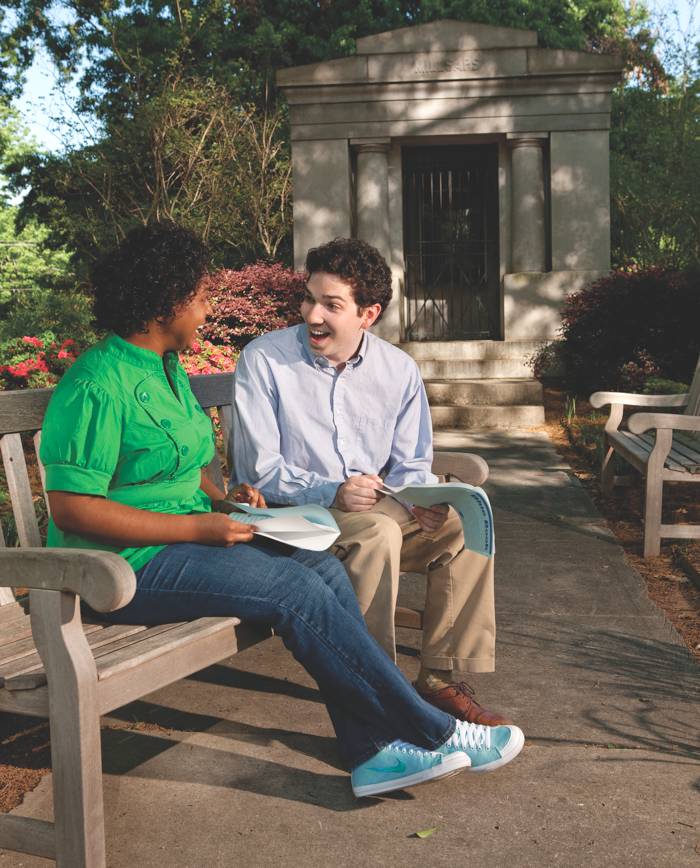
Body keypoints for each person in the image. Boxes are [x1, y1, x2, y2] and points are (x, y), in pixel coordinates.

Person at [40, 223, 524, 800]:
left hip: (180, 543)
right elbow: (71, 510)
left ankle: (370, 754)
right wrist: (199, 524)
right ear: (165, 303)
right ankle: (433, 730)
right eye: (199, 297)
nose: (206, 308)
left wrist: (225, 500)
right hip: (116, 567)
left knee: (319, 569)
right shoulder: (97, 383)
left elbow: (189, 462)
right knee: (292, 589)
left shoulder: (166, 369)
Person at [232, 237, 510, 726]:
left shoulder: (398, 370)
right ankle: (376, 690)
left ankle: (438, 678)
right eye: (309, 298)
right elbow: (260, 470)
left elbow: (410, 464)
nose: (312, 314)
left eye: (330, 305)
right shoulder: (265, 359)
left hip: (367, 511)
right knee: (377, 533)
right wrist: (332, 491)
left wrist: (421, 502)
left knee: (461, 528)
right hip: (291, 517)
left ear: (369, 313)